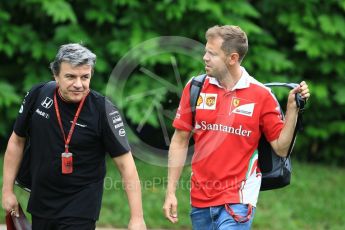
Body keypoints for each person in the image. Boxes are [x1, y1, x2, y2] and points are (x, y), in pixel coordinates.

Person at [163, 25, 310, 229]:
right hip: (199, 200)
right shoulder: (195, 87)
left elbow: (281, 147)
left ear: (232, 58)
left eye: (212, 53)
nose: (204, 57)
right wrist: (170, 192)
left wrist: (293, 110)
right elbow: (180, 140)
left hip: (238, 200)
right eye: (206, 51)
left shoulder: (261, 95)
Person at [2, 43, 146, 230]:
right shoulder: (38, 95)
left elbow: (126, 165)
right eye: (70, 76)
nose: (78, 84)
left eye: (85, 77)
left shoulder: (104, 111)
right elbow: (16, 141)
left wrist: (137, 218)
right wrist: (7, 190)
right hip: (41, 203)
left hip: (80, 208)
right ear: (56, 75)